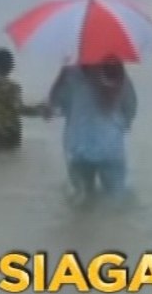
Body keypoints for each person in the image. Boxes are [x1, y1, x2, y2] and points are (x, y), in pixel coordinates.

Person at [46, 56, 137, 201]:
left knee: (81, 199)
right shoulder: (117, 73)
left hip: (79, 147)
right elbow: (130, 108)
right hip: (111, 148)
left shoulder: (70, 74)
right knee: (116, 200)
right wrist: (122, 126)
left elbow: (53, 106)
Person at [0, 48, 45, 151]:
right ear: (10, 66)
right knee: (10, 159)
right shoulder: (13, 87)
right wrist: (39, 110)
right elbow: (19, 109)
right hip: (10, 133)